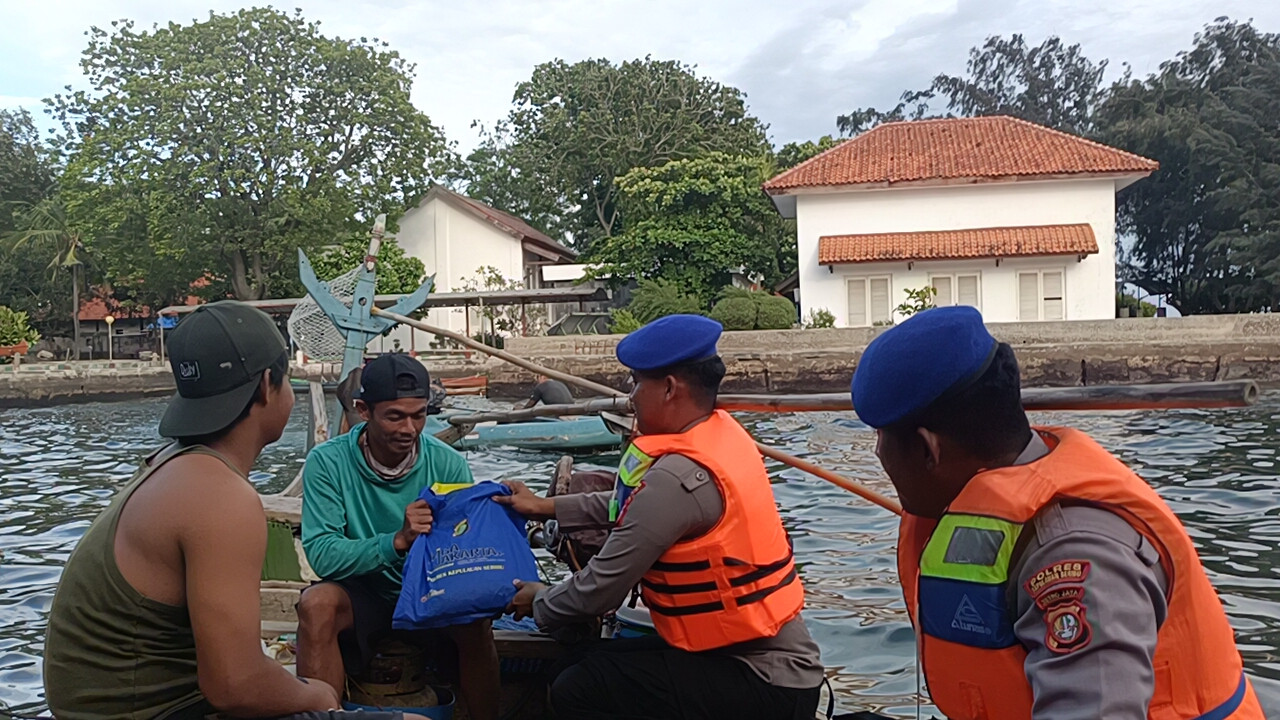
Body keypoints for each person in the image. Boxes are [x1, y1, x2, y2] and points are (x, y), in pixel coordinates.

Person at [850, 306, 1264, 720]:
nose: (878, 452)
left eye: (882, 437)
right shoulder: (996, 495)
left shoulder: (1073, 554)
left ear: (928, 449)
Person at [43, 301, 412, 719]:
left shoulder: (170, 464)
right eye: (287, 377)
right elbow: (234, 687)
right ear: (267, 386)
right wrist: (320, 695)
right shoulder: (219, 497)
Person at [499, 314, 825, 720]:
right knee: (578, 659)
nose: (631, 396)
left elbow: (600, 589)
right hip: (756, 659)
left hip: (764, 680)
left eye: (636, 382)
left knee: (576, 688)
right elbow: (637, 508)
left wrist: (539, 600)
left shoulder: (679, 477)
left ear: (669, 389)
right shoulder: (717, 436)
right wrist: (542, 507)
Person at [295, 353, 499, 720]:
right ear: (363, 410)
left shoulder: (447, 462)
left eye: (418, 415)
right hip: (364, 592)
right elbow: (323, 554)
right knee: (316, 604)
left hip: (429, 591)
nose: (409, 428)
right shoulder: (327, 462)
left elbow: (463, 550)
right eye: (395, 416)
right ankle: (324, 713)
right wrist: (397, 541)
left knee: (476, 619)